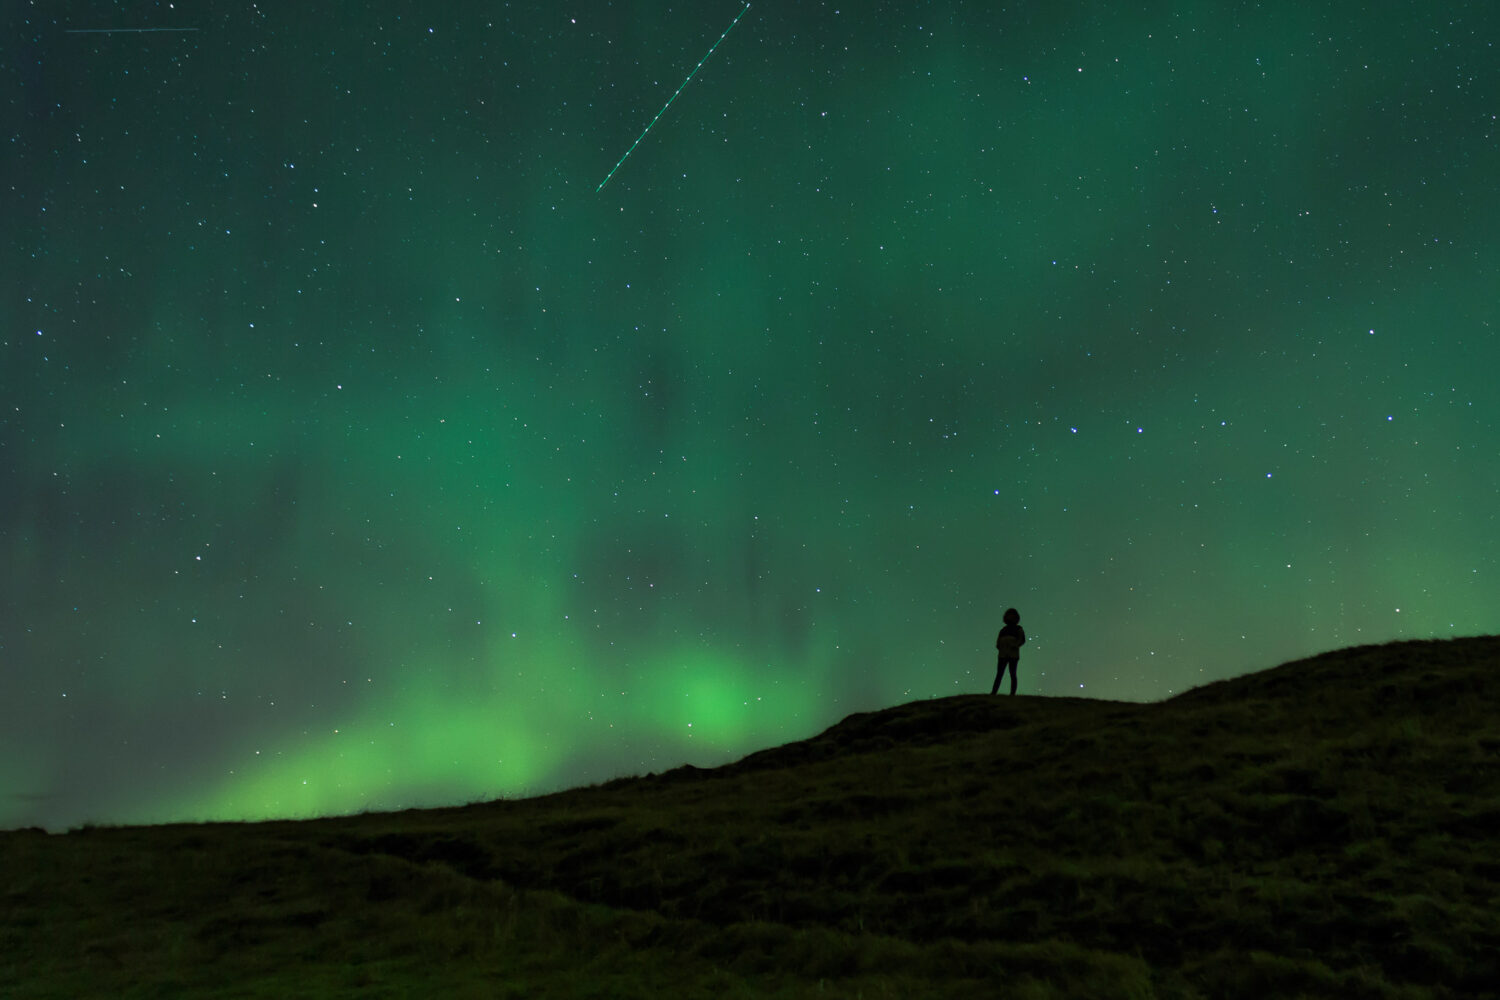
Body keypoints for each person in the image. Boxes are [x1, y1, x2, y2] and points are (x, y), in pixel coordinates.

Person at [992, 607, 1026, 695]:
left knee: (1012, 674)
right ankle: (994, 692)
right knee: (999, 674)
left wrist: (1014, 645)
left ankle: (1012, 694)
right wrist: (1001, 647)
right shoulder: (1003, 630)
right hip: (1003, 654)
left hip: (1013, 654)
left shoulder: (1018, 629)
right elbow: (998, 643)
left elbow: (1022, 640)